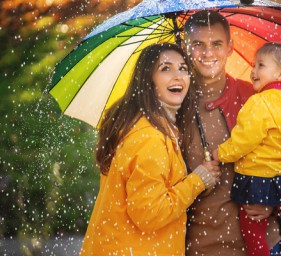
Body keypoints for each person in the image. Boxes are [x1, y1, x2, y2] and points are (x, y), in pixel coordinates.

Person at [178, 10, 281, 256]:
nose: (208, 53)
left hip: (265, 244)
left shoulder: (258, 96)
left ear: (230, 47)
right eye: (198, 44)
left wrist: (276, 200)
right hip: (200, 248)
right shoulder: (173, 105)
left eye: (216, 44)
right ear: (185, 46)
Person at [80, 43, 220, 255]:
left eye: (183, 68)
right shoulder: (150, 139)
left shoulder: (150, 127)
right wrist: (197, 180)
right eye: (165, 68)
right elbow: (150, 214)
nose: (178, 76)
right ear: (148, 81)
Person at [213, 41, 281, 256]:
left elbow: (244, 140)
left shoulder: (259, 102)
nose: (253, 71)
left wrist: (221, 154)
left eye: (261, 66)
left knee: (252, 229)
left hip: (257, 178)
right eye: (254, 65)